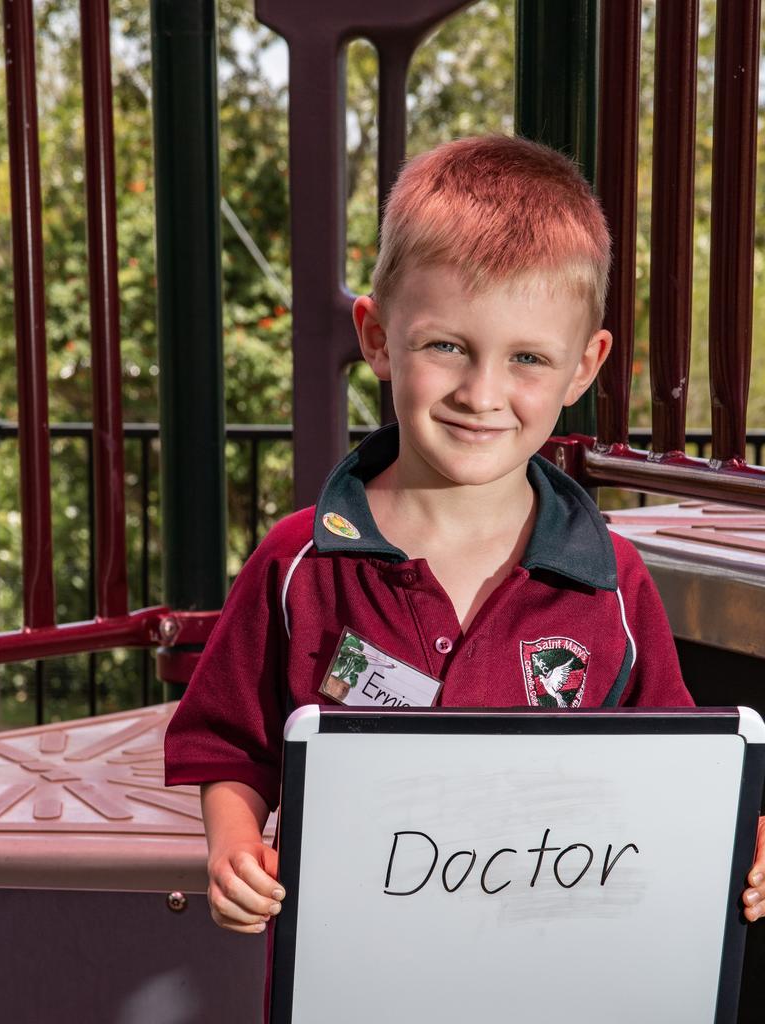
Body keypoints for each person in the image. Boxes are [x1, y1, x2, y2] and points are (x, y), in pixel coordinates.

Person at [164, 136, 765, 951]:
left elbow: (677, 770)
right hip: (350, 973)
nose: (482, 394)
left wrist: (741, 833)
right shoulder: (296, 564)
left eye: (527, 358)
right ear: (377, 338)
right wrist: (231, 845)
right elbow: (227, 745)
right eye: (446, 345)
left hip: (553, 975)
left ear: (583, 367)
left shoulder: (613, 583)